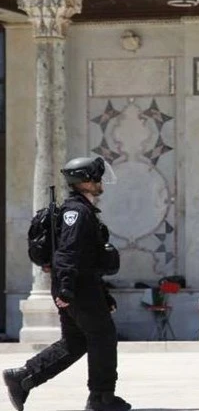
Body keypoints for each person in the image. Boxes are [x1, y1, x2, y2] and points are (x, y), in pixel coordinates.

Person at [3, 157, 130, 411]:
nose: (100, 182)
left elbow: (85, 258)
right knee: (103, 337)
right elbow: (68, 253)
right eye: (96, 177)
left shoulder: (81, 209)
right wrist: (66, 288)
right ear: (84, 181)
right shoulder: (77, 212)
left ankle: (23, 378)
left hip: (81, 286)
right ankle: (101, 397)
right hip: (77, 288)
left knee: (76, 341)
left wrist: (102, 295)